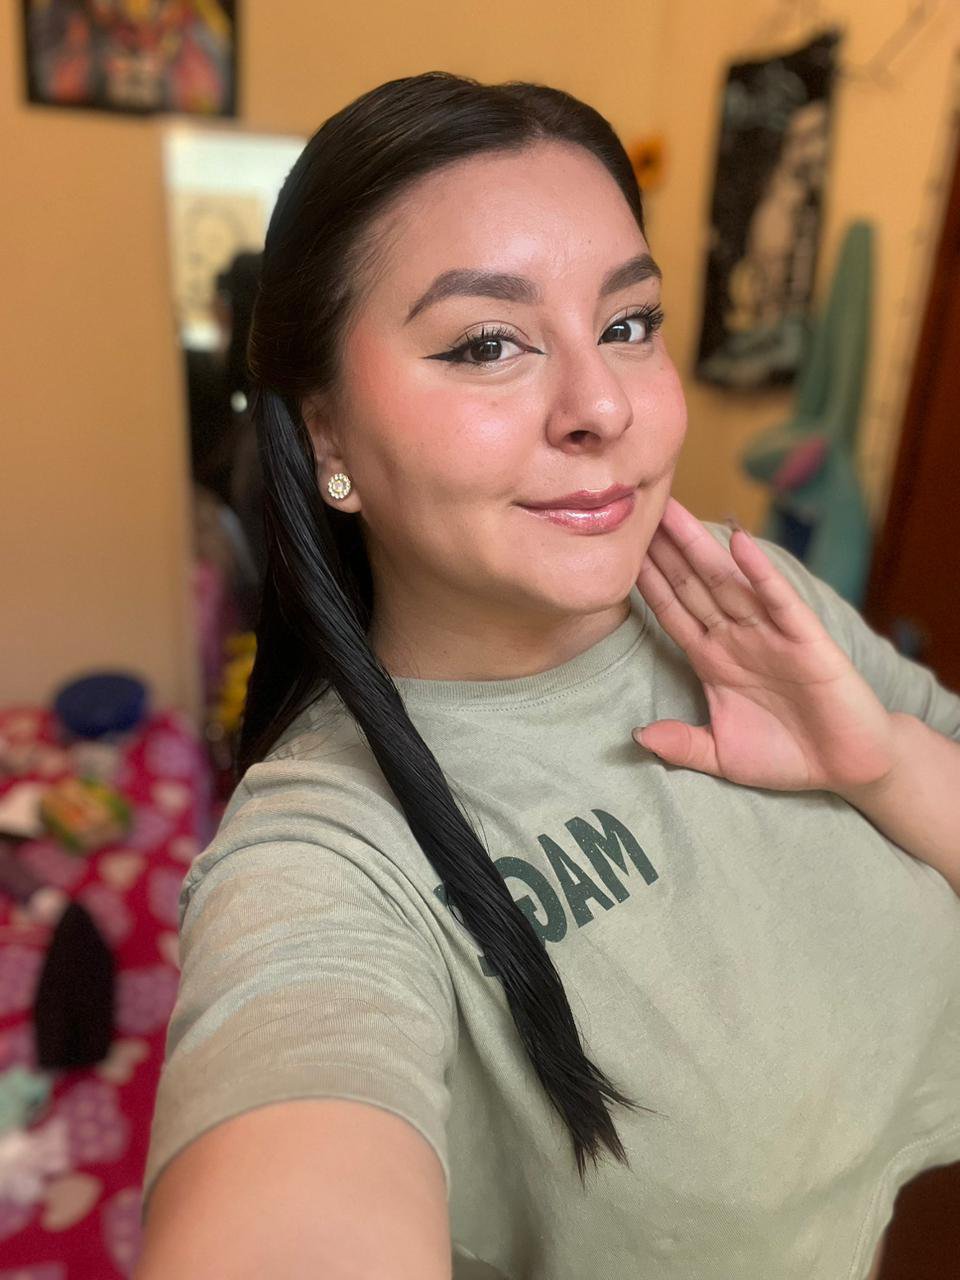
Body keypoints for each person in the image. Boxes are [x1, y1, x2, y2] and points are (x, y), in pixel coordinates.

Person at [134, 73, 960, 1280]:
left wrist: (880, 762)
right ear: (325, 435)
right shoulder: (323, 852)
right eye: (487, 343)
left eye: (628, 323)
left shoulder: (747, 600)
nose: (602, 405)